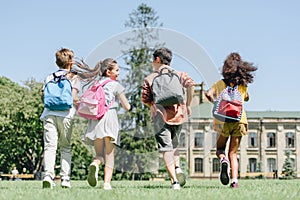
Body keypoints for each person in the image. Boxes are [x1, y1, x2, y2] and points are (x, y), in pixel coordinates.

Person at [142, 47, 194, 190]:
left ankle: (174, 182)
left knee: (166, 149)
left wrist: (151, 105)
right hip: (178, 115)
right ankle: (177, 168)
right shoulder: (179, 74)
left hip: (160, 117)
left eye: (153, 60)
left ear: (157, 59)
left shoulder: (150, 78)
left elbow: (145, 98)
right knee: (174, 145)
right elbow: (191, 85)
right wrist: (187, 104)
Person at [75, 58, 131, 190]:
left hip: (95, 120)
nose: (118, 73)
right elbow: (127, 106)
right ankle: (106, 183)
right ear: (108, 72)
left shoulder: (95, 84)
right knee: (109, 154)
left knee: (99, 154)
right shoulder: (115, 85)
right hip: (109, 117)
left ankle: (95, 163)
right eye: (116, 70)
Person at [205, 52, 257, 188]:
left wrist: (216, 101)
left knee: (220, 150)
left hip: (223, 121)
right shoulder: (243, 85)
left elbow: (208, 94)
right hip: (239, 121)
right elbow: (246, 98)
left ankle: (223, 161)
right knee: (233, 153)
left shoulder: (220, 84)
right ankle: (234, 181)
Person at [40, 48, 80, 189]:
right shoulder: (74, 78)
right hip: (66, 115)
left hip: (49, 113)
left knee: (50, 147)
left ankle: (48, 176)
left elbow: (43, 96)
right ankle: (65, 178)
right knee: (65, 147)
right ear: (71, 62)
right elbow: (74, 98)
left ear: (57, 62)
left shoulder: (49, 77)